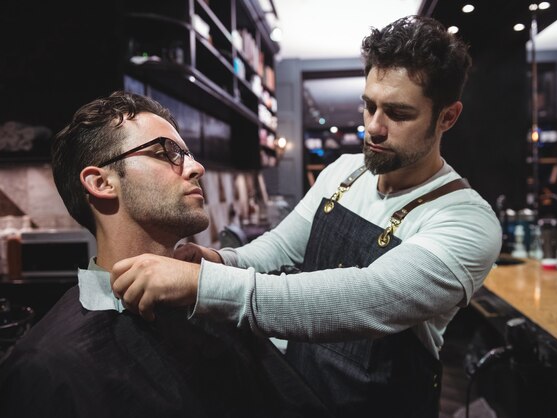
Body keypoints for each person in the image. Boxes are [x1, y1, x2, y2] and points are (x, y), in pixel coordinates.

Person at [111, 15, 502, 418]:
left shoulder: (467, 220)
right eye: (369, 106)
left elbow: (365, 299)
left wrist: (203, 284)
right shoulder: (345, 172)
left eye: (399, 114)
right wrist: (220, 260)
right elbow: (281, 247)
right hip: (299, 390)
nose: (373, 128)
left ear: (447, 117)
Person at [0, 91, 328, 418]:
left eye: (187, 154)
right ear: (101, 182)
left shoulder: (209, 303)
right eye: (166, 152)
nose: (196, 167)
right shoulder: (48, 365)